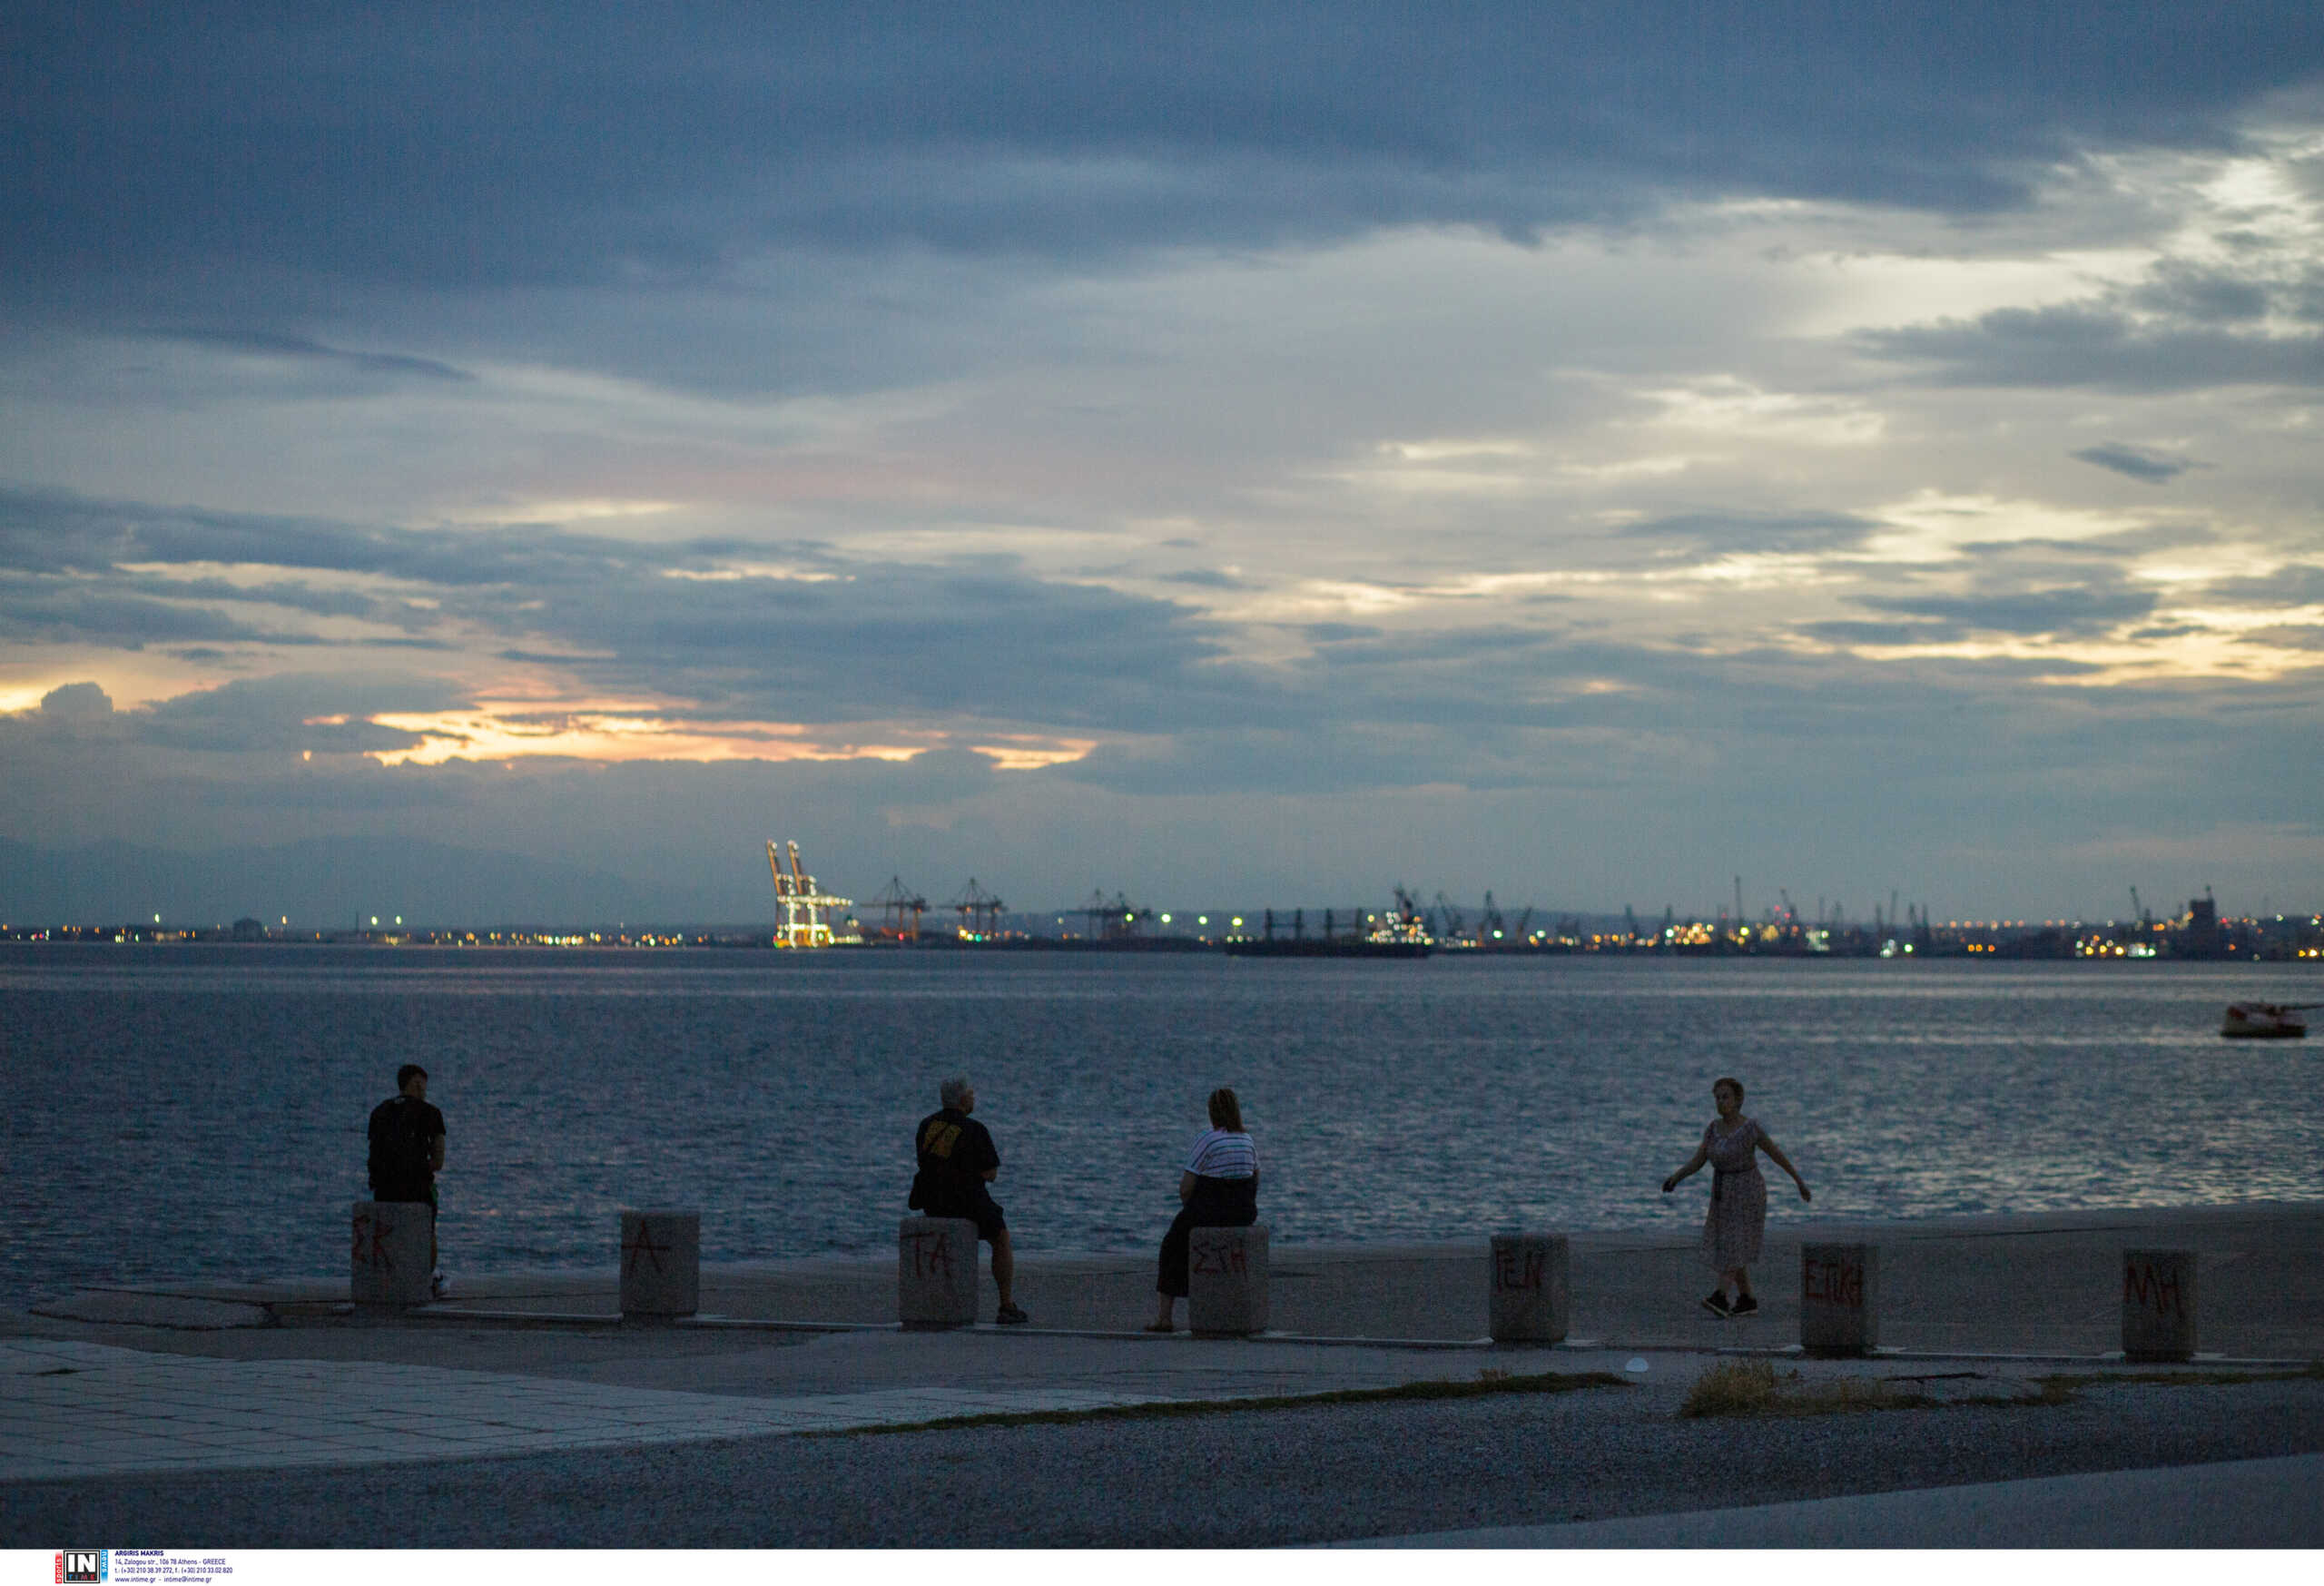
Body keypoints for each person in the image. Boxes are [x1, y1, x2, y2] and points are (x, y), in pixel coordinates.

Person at [1661, 1076, 1808, 1318]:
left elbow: (1776, 1155)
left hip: (1748, 1189)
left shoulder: (1750, 1129)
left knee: (1736, 1243)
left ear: (1738, 1100)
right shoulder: (1713, 1129)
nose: (1721, 1102)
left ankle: (1720, 1296)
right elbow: (1699, 1161)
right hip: (1723, 1191)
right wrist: (1675, 1178)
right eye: (1717, 1098)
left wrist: (1799, 1182)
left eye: (1726, 1097)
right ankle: (1747, 1299)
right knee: (1731, 1243)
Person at [909, 1077, 1027, 1325]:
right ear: (963, 1099)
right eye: (971, 1094)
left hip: (932, 1200)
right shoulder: (975, 1129)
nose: (974, 1097)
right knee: (1000, 1237)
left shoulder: (926, 1125)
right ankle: (1006, 1305)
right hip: (965, 1200)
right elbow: (991, 1173)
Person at [1148, 1087, 1259, 1332]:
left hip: (1209, 1212)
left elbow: (1186, 1188)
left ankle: (1165, 1318)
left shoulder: (1207, 1139)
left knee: (1171, 1245)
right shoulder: (1247, 1139)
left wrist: (1192, 1209)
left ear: (1212, 1112)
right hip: (1242, 1212)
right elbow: (1255, 1177)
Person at [368, 1063, 449, 1300]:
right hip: (416, 1189)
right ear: (416, 1084)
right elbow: (438, 1160)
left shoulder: (378, 1112)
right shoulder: (431, 1113)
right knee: (428, 1232)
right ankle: (428, 1277)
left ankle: (387, 1280)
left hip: (383, 1190)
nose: (425, 1091)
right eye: (423, 1086)